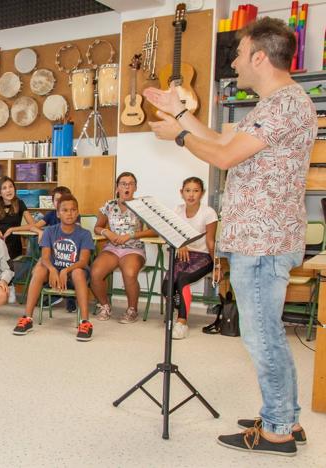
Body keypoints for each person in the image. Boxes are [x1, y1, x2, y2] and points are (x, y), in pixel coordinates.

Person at [145, 18, 312, 453]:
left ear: (259, 57)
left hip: (262, 243)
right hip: (264, 240)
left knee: (261, 336)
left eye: (238, 53)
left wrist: (179, 135)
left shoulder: (282, 105)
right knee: (269, 333)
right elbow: (221, 139)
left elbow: (221, 154)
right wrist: (181, 112)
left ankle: (276, 428)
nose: (234, 61)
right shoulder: (278, 103)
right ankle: (286, 416)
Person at [12, 195, 95, 341]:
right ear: (58, 213)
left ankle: (85, 322)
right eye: (65, 210)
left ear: (77, 213)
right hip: (54, 274)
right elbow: (45, 257)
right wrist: (52, 270)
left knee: (77, 273)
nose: (69, 213)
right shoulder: (50, 231)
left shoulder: (84, 233)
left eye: (73, 210)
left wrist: (65, 270)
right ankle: (27, 318)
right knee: (39, 269)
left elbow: (83, 261)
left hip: (74, 273)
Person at [89, 172, 155, 324]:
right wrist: (108, 232)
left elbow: (153, 230)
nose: (127, 187)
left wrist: (131, 235)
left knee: (129, 273)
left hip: (134, 248)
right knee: (95, 272)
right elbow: (97, 227)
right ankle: (105, 306)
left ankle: (132, 310)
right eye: (123, 183)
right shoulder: (109, 205)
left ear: (135, 187)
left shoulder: (142, 206)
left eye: (130, 184)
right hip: (112, 247)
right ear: (117, 187)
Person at [165, 177, 218, 340]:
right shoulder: (177, 210)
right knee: (166, 286)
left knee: (183, 279)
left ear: (202, 193)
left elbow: (211, 242)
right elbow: (171, 234)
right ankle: (183, 304)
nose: (191, 195)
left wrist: (217, 266)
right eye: (188, 190)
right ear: (181, 193)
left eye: (196, 191)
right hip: (184, 254)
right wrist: (180, 244)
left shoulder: (209, 212)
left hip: (204, 256)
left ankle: (182, 322)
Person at [0, 176, 35, 261]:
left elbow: (32, 225)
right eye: (4, 188)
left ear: (14, 189)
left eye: (11, 186)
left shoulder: (20, 203)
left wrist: (12, 229)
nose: (8, 190)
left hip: (14, 246)